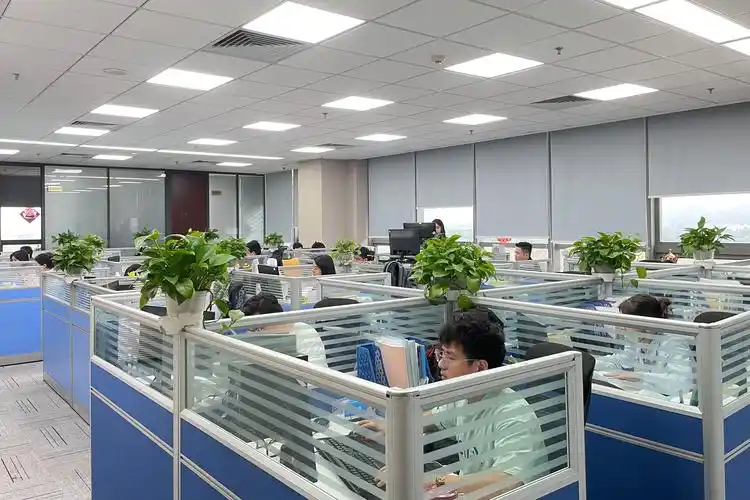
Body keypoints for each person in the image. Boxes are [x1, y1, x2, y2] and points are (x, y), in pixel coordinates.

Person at [363, 315, 543, 497]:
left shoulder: (513, 414)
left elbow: (508, 481)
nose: (441, 364)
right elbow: (433, 418)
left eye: (450, 357)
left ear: (480, 367)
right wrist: (392, 426)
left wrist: (430, 480)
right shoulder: (464, 397)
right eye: (441, 354)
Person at [598, 294, 694, 399]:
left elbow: (681, 383)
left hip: (675, 400)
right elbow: (624, 361)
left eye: (627, 323)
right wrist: (594, 362)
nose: (622, 328)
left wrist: (641, 376)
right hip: (650, 393)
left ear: (646, 325)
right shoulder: (636, 339)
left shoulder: (674, 343)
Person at [239, 293, 326, 368]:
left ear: (276, 319)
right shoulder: (258, 338)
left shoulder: (305, 333)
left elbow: (314, 375)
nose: (256, 333)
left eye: (259, 328)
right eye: (252, 330)